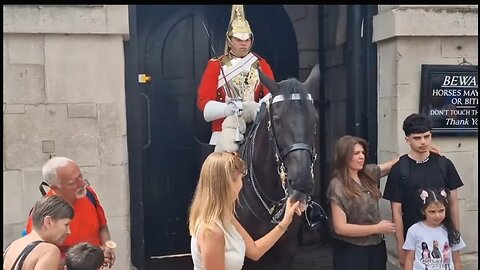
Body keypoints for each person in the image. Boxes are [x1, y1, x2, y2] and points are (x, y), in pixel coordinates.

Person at [188, 151, 302, 270]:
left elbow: (255, 251)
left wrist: (285, 222)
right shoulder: (212, 232)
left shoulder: (225, 216)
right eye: (240, 178)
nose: (241, 184)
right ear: (228, 184)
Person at [383, 113, 464, 266]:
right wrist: (401, 249)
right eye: (417, 138)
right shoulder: (399, 169)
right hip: (415, 244)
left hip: (444, 239)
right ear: (407, 140)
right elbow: (396, 213)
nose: (423, 142)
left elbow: (453, 204)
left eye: (427, 136)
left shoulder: (444, 164)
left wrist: (455, 240)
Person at [197, 5, 275, 153]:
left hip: (254, 129)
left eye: (247, 39)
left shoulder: (261, 64)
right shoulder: (216, 65)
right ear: (229, 39)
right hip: (222, 130)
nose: (243, 43)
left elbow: (271, 94)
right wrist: (228, 109)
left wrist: (258, 107)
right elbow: (204, 103)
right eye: (238, 39)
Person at [25, 157, 115, 269]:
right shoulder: (42, 214)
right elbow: (37, 257)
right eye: (73, 182)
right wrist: (82, 262)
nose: (82, 184)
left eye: (80, 176)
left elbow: (103, 228)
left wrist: (108, 247)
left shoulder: (89, 195)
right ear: (55, 188)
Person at [327, 135, 401, 270]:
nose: (362, 156)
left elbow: (393, 164)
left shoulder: (368, 173)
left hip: (376, 247)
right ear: (344, 155)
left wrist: (422, 152)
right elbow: (340, 227)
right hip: (351, 250)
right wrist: (376, 229)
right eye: (356, 153)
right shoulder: (337, 185)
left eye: (362, 152)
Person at [3, 195, 74, 270]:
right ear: (48, 222)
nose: (69, 231)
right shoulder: (48, 251)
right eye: (66, 224)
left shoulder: (12, 246)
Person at [403, 188, 465, 270]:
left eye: (441, 211)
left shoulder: (450, 231)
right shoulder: (414, 231)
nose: (437, 215)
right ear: (423, 211)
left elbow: (456, 261)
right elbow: (409, 260)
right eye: (432, 212)